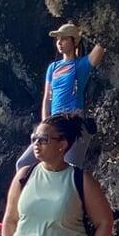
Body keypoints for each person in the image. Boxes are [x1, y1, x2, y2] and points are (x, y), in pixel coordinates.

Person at [16, 23, 105, 169]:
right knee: (23, 164)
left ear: (74, 41)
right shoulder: (53, 67)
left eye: (64, 39)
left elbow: (103, 45)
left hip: (74, 123)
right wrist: (45, 124)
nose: (59, 42)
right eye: (58, 39)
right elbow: (47, 99)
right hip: (53, 123)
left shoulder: (82, 65)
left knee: (70, 170)